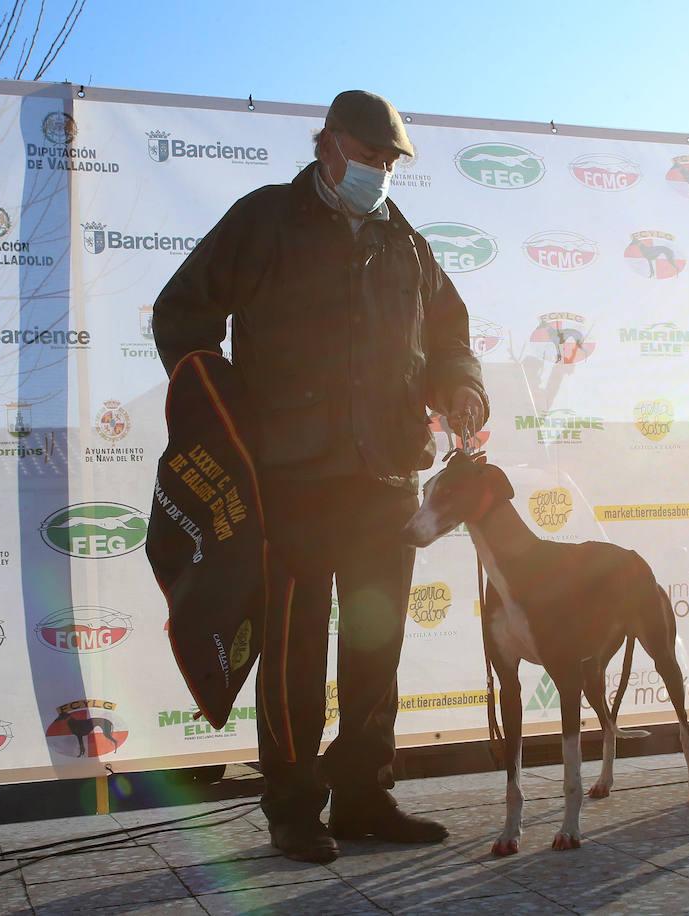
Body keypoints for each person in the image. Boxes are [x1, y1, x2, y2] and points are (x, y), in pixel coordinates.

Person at [153, 90, 488, 863]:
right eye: (370, 156)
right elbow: (181, 313)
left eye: (390, 161)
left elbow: (450, 333)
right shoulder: (265, 218)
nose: (381, 172)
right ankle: (293, 807)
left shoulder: (405, 242)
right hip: (291, 477)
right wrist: (227, 416)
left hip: (386, 476)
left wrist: (459, 382)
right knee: (294, 647)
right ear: (329, 144)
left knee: (377, 641)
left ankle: (367, 794)